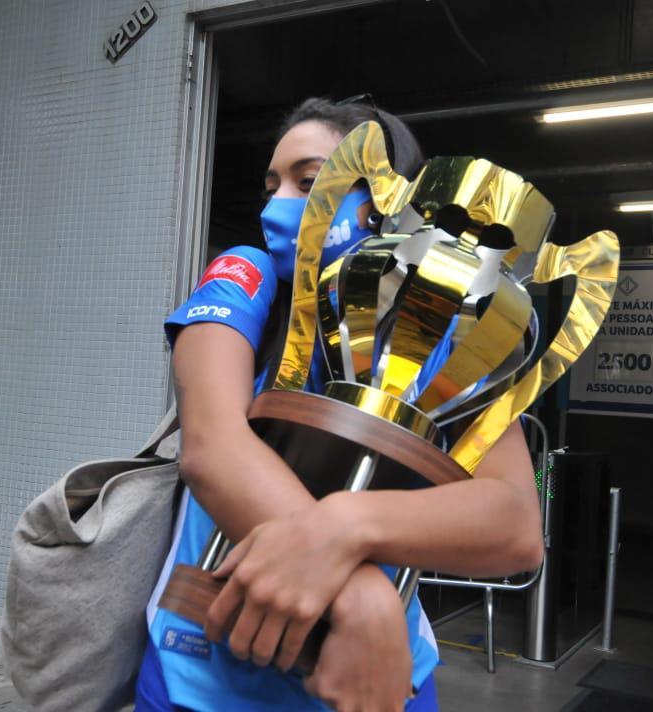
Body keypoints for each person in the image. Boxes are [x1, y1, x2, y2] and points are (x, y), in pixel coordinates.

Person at [137, 98, 543, 711]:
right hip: (203, 680)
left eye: (310, 179)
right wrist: (361, 597)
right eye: (273, 184)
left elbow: (515, 525)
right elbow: (213, 448)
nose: (278, 204)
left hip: (375, 681)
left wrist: (344, 529)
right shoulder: (245, 279)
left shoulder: (444, 333)